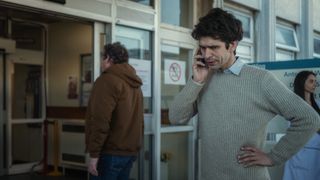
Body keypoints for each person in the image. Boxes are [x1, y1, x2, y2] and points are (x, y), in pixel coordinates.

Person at [168, 8, 320, 180]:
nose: (206, 55)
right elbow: (175, 117)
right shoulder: (204, 77)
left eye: (213, 47)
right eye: (202, 48)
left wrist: (273, 157)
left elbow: (309, 119)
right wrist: (196, 81)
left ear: (232, 45)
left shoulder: (260, 80)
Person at [85, 42, 144, 180]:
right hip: (129, 153)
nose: (101, 62)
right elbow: (139, 119)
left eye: (102, 57)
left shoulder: (106, 80)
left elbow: (100, 120)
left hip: (109, 153)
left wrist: (94, 155)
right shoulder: (134, 83)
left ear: (109, 59)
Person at [282, 71, 320, 180]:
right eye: (311, 81)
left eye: (315, 82)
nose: (314, 85)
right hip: (297, 152)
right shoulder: (293, 104)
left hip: (316, 153)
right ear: (302, 82)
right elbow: (294, 127)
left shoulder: (318, 104)